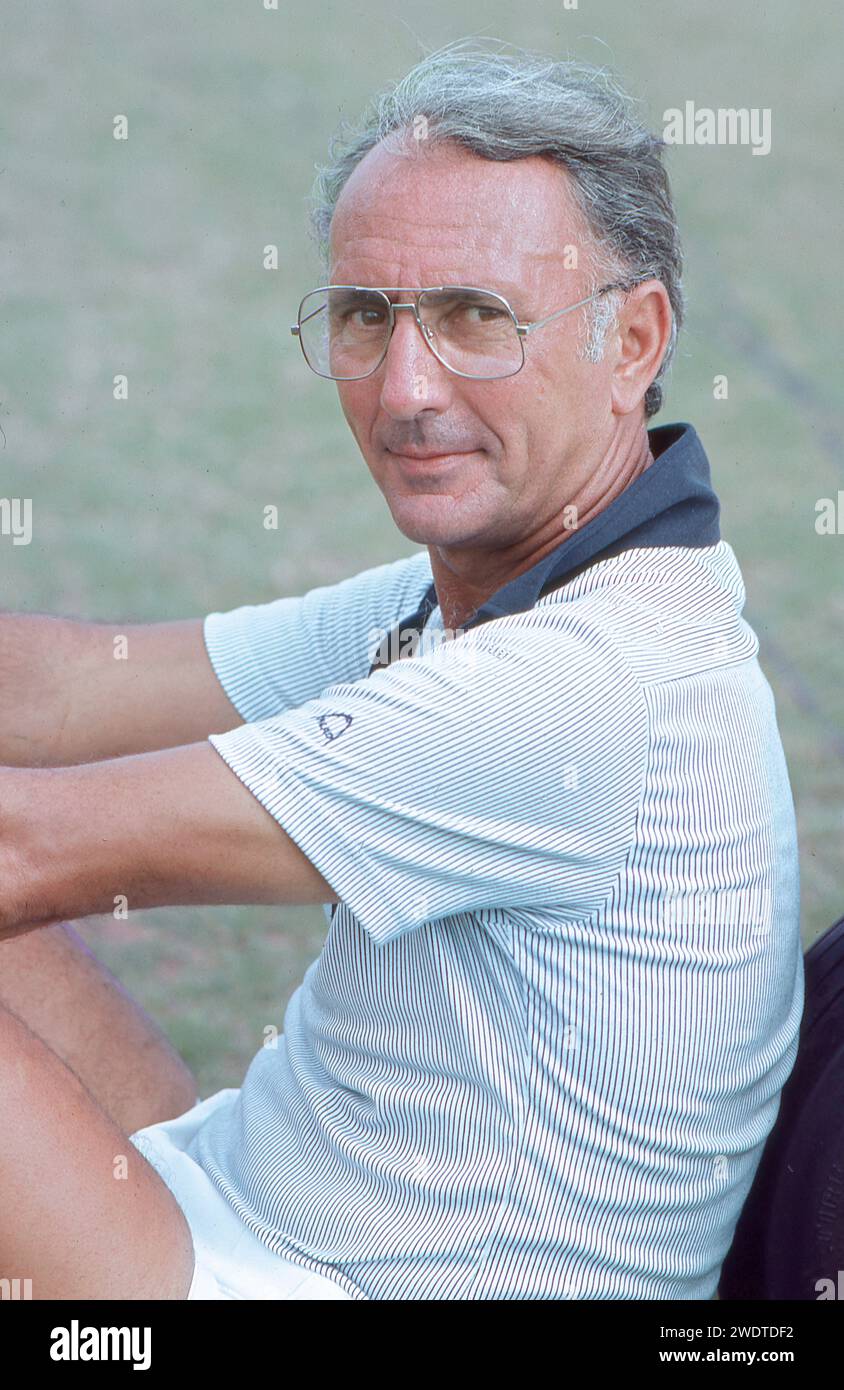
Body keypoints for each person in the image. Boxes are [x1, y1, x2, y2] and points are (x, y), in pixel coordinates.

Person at [0, 40, 803, 1300]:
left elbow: (22, 844)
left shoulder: (586, 686)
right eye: (368, 317)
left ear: (632, 338)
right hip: (242, 1203)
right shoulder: (491, 593)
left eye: (477, 318)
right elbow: (50, 696)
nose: (406, 388)